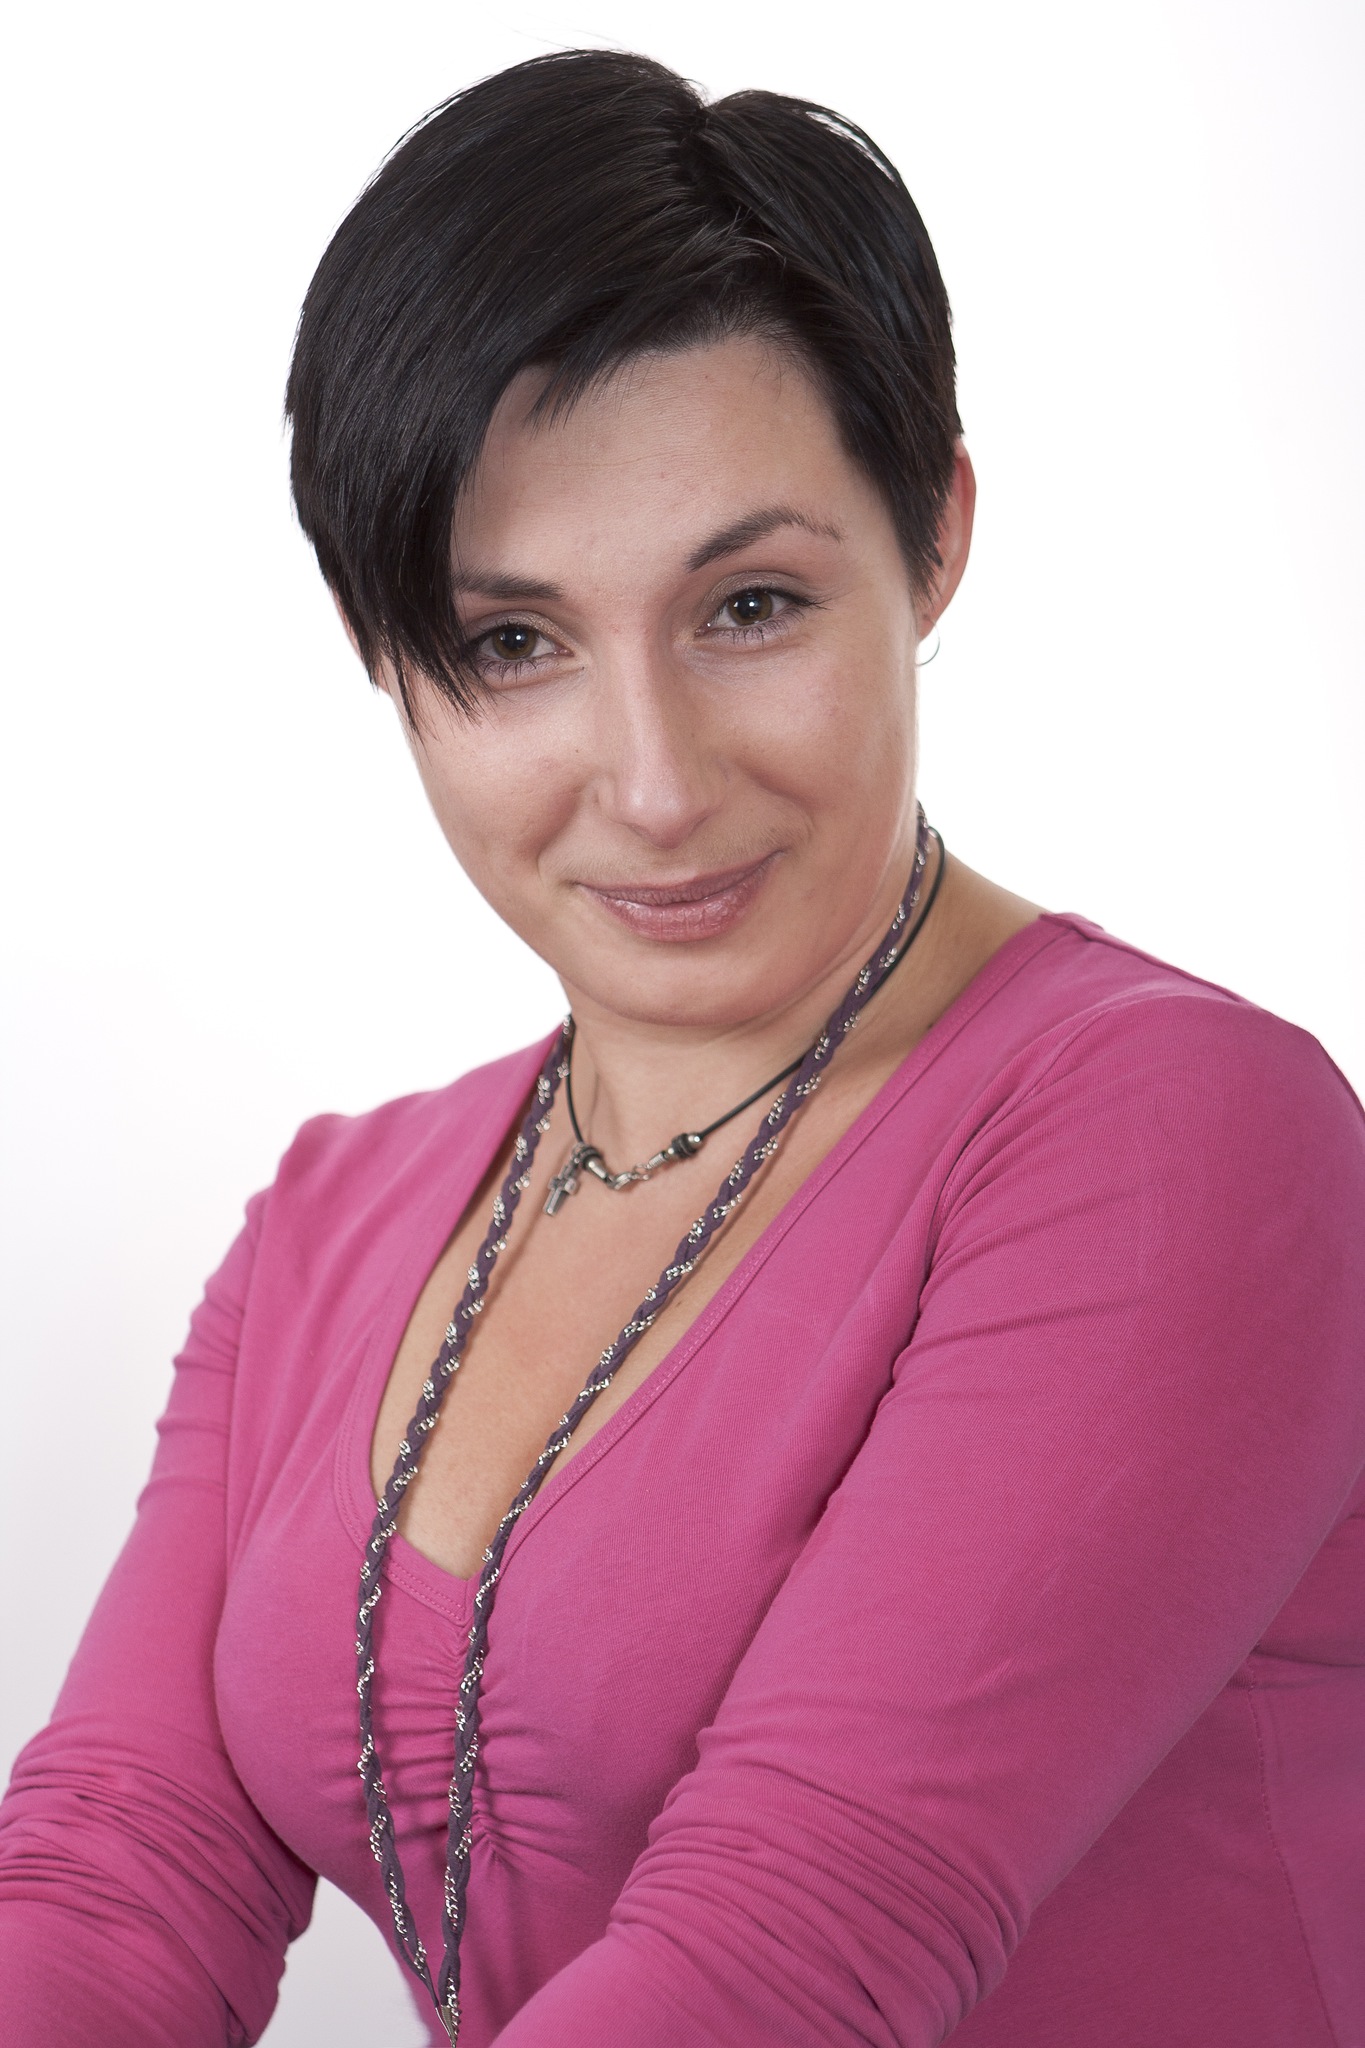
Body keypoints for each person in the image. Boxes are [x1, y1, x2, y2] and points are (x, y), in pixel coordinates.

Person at [1, 46, 1361, 2048]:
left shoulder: (1182, 1135)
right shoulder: (326, 1225)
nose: (649, 782)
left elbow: (788, 1958)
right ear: (386, 654)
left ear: (933, 537)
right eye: (513, 642)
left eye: (749, 604)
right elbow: (118, 1874)